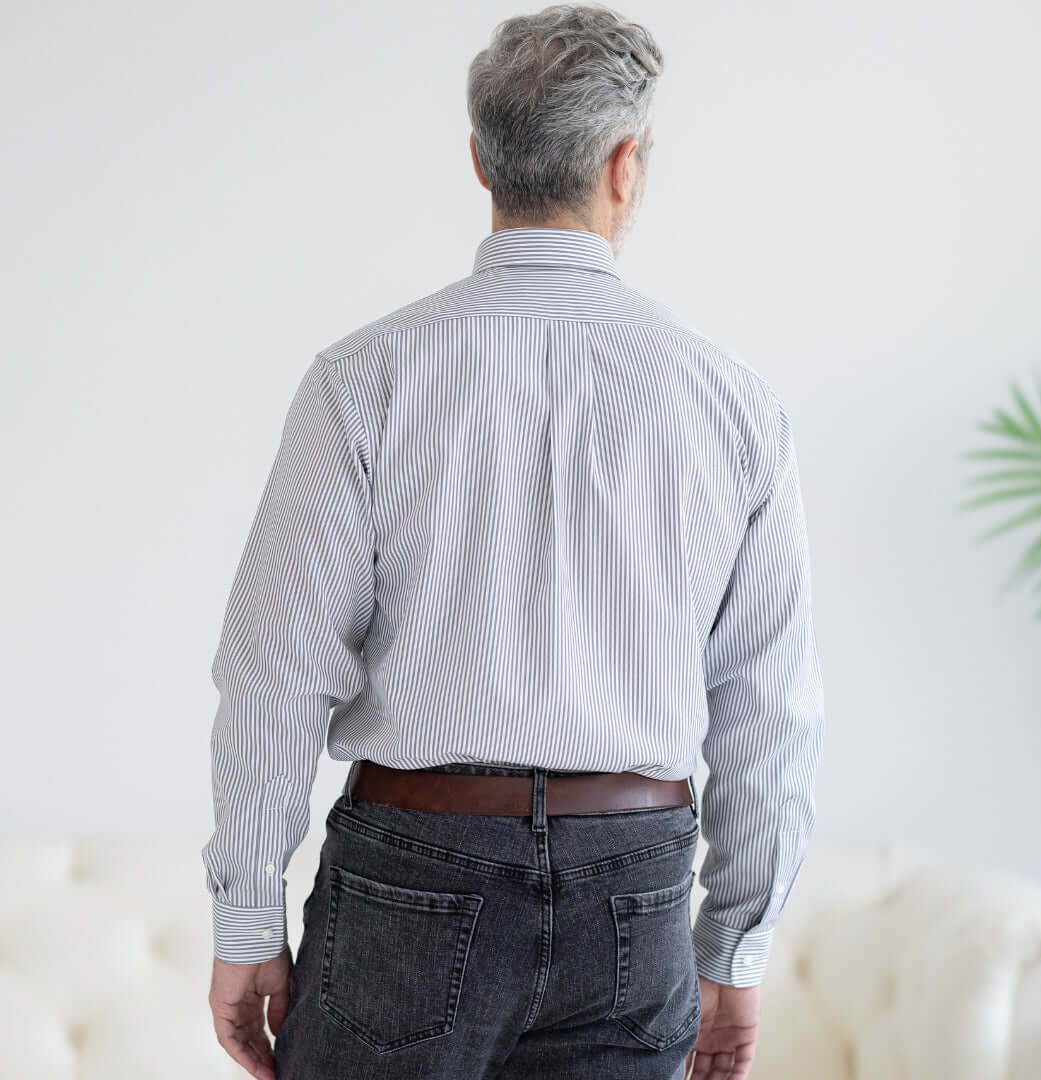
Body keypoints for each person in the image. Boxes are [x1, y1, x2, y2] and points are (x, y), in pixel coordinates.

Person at [202, 5, 825, 1079]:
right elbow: (768, 703)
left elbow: (277, 669)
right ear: (626, 165)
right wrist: (736, 945)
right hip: (635, 881)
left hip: (413, 866)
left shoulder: (367, 377)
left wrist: (248, 921)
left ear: (481, 159)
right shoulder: (732, 405)